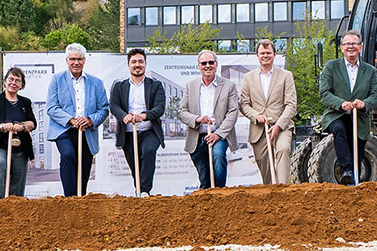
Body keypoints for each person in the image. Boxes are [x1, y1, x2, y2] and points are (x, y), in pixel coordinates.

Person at [318, 30, 377, 185]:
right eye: (347, 44)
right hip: (336, 115)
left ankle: (354, 176)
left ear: (360, 47)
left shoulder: (370, 70)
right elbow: (324, 93)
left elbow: (375, 96)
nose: (350, 46)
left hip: (359, 118)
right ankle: (346, 170)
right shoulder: (331, 67)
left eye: (354, 43)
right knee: (339, 129)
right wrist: (341, 103)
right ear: (341, 47)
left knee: (357, 149)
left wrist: (364, 103)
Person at [47, 43, 109, 197]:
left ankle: (80, 200)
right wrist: (72, 120)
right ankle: (70, 198)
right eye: (72, 59)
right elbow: (52, 107)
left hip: (87, 131)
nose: (76, 62)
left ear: (84, 60)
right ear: (67, 60)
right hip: (64, 130)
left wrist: (90, 120)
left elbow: (103, 108)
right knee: (68, 155)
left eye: (79, 59)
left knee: (84, 165)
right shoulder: (57, 79)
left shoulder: (96, 83)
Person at [110, 48, 166, 196]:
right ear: (128, 65)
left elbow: (160, 108)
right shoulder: (119, 86)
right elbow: (114, 106)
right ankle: (139, 191)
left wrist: (144, 116)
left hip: (149, 130)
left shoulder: (156, 85)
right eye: (133, 62)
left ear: (145, 64)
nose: (137, 65)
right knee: (135, 165)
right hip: (128, 133)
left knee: (148, 152)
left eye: (140, 61)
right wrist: (123, 116)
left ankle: (145, 191)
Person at [178, 50, 238, 190]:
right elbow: (182, 112)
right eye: (204, 63)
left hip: (220, 134)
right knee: (205, 179)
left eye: (211, 62)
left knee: (218, 155)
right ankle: (206, 198)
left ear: (216, 65)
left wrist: (218, 134)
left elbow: (233, 112)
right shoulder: (190, 86)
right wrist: (197, 119)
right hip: (198, 136)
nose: (207, 66)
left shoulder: (228, 86)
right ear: (199, 66)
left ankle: (220, 191)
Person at [239, 40, 297, 185]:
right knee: (265, 168)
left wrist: (278, 126)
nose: (265, 56)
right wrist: (256, 116)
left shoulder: (286, 75)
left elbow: (291, 104)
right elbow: (244, 104)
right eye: (262, 53)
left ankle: (283, 189)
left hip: (281, 126)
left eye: (268, 53)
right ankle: (271, 192)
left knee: (283, 149)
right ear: (257, 56)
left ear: (274, 55)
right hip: (259, 129)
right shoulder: (248, 77)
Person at [0, 66, 37, 198]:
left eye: (18, 81)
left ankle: (15, 207)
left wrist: (21, 126)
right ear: (5, 81)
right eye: (11, 79)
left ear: (22, 85)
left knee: (19, 177)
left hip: (20, 146)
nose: (13, 83)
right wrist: (2, 127)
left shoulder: (25, 102)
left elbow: (32, 124)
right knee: (0, 164)